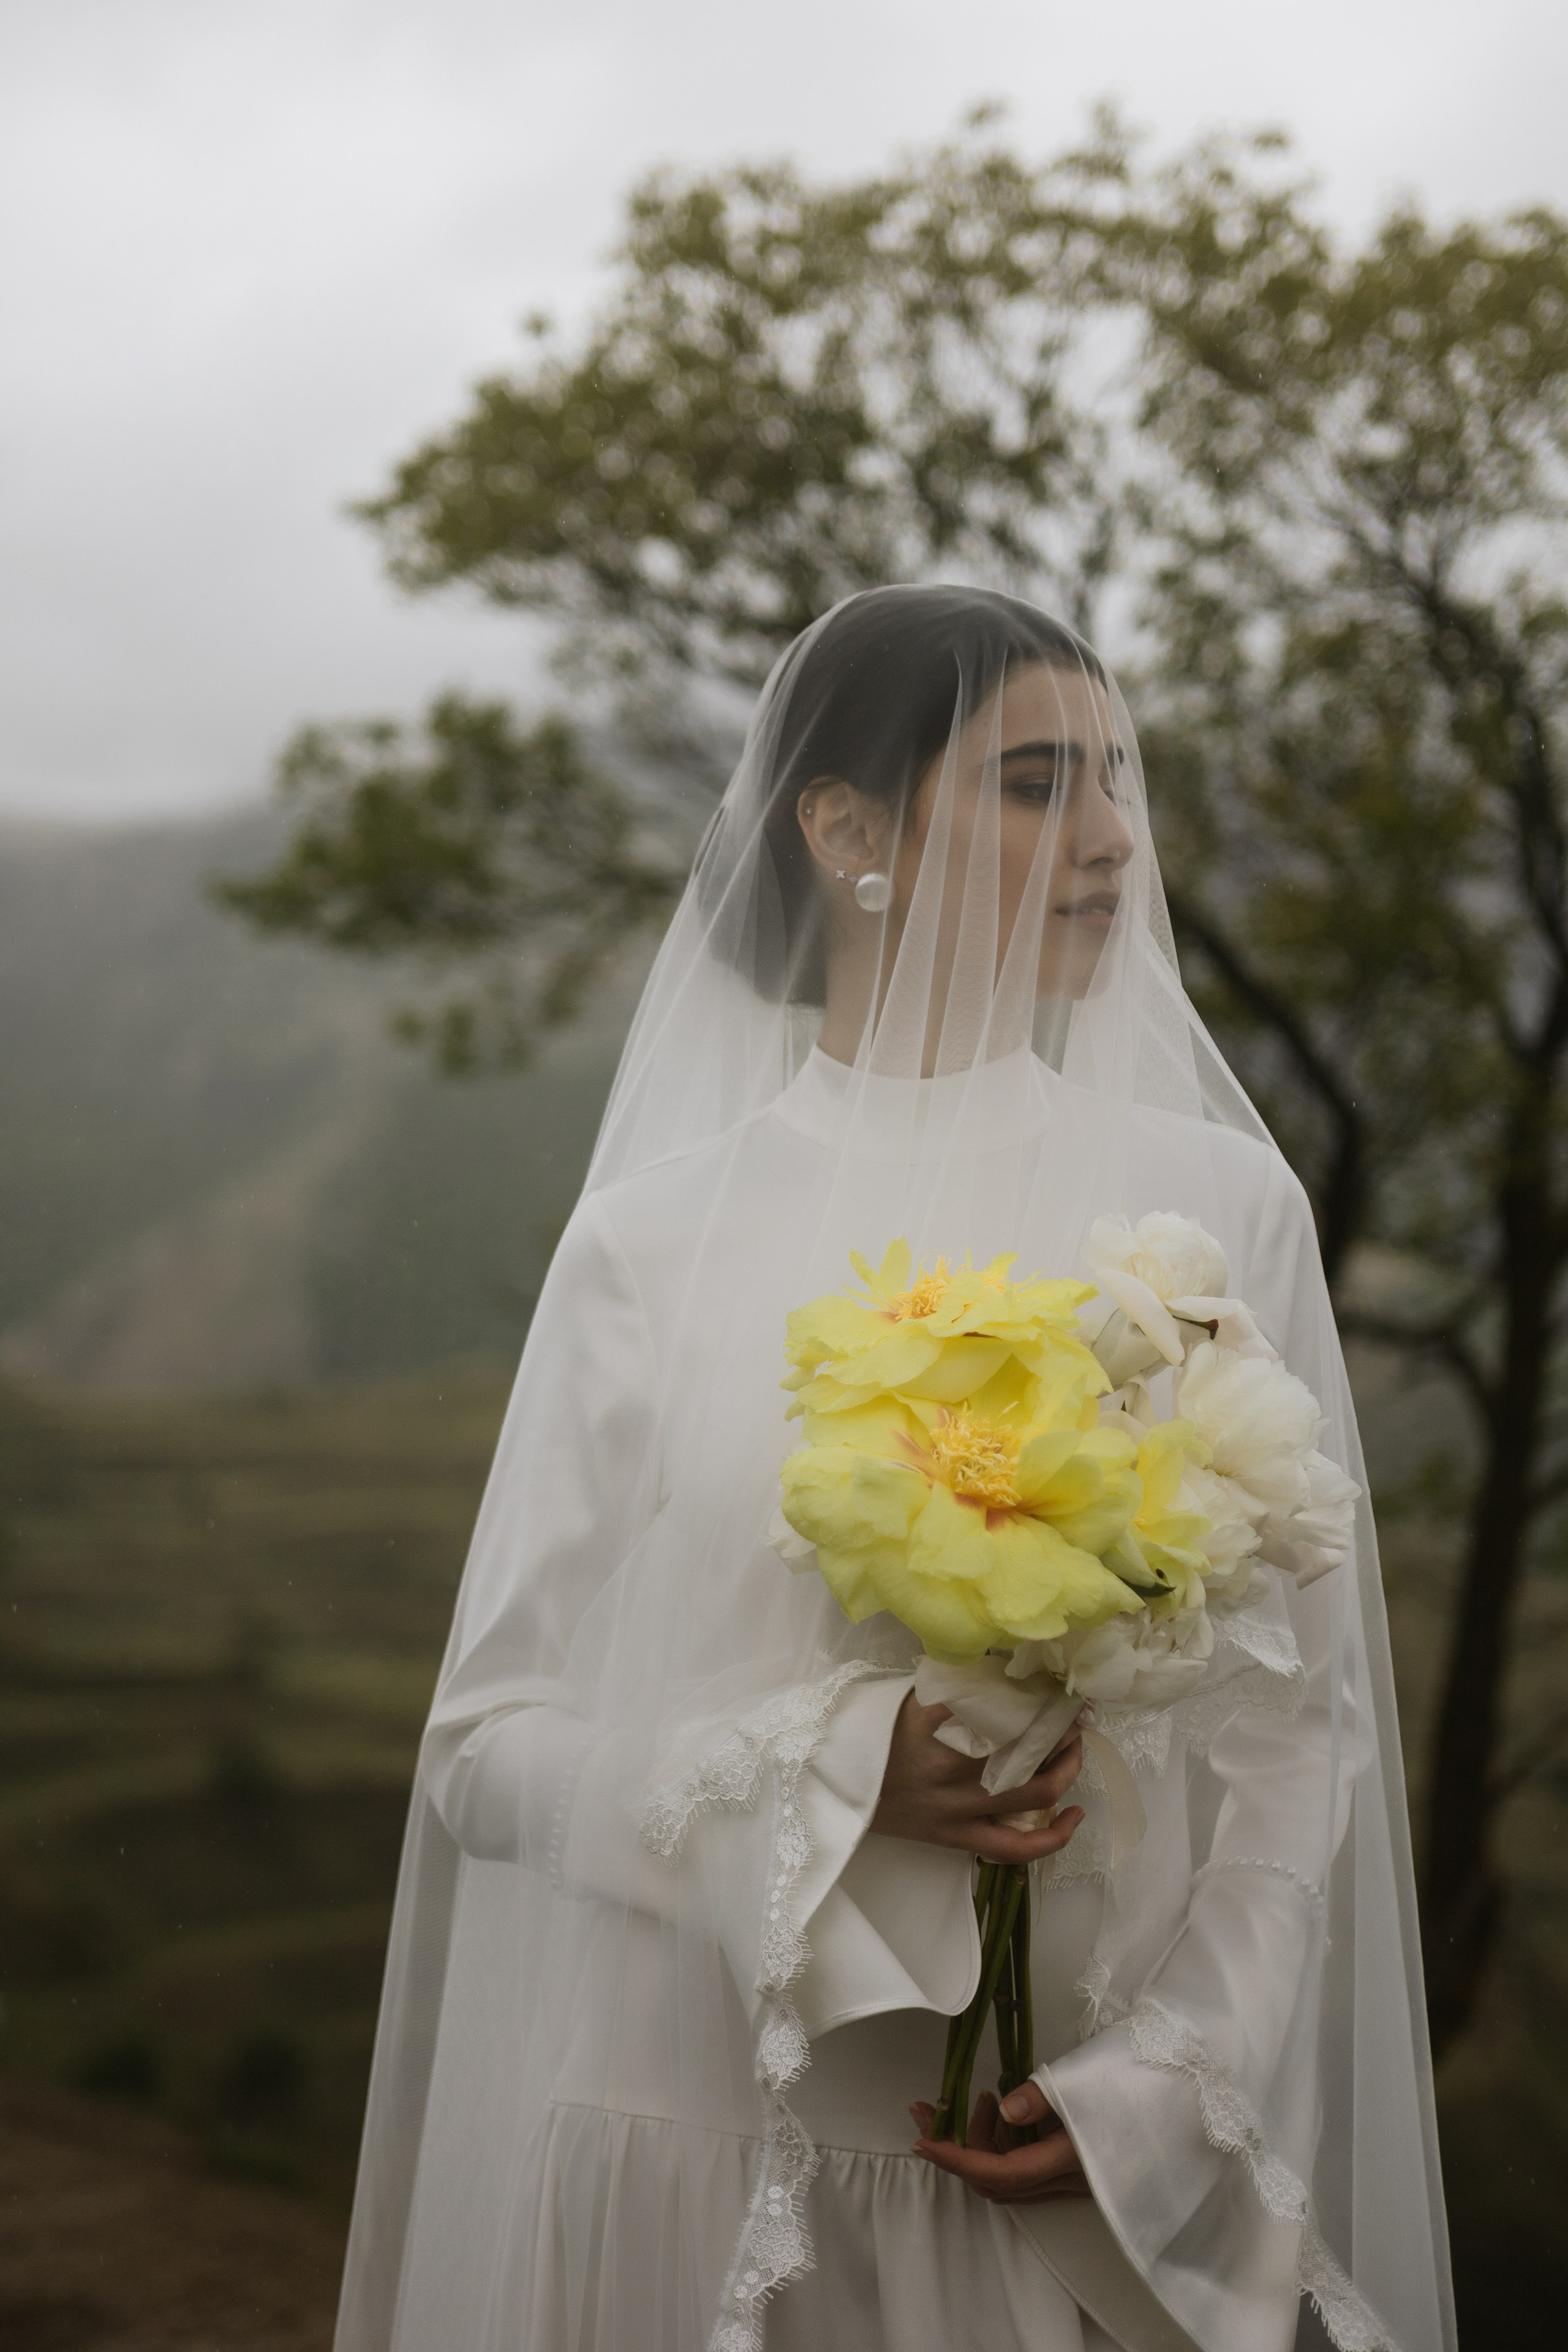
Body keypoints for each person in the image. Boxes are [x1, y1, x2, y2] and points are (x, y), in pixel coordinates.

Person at [334, 586, 1453, 2352]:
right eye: (1036, 783)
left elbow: (1299, 1735)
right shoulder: (652, 1242)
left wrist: (1172, 2079)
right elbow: (486, 1746)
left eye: (1116, 778)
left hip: (1056, 2167)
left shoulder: (1218, 1216)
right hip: (700, 2155)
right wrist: (835, 1775)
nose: (1111, 838)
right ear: (848, 832)